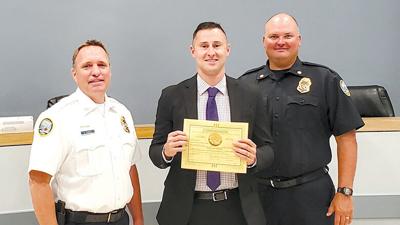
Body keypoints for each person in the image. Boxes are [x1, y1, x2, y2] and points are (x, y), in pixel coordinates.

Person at [240, 13, 365, 225]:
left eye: (288, 35)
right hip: (258, 197)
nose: (280, 41)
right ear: (263, 41)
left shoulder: (325, 79)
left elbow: (346, 139)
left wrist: (345, 192)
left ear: (299, 40)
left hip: (311, 196)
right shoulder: (245, 84)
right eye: (273, 36)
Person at [149, 22, 274, 225]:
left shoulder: (250, 94)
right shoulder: (172, 95)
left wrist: (254, 157)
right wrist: (167, 151)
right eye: (204, 46)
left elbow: (268, 149)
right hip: (186, 210)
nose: (211, 52)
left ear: (227, 49)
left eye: (217, 45)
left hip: (238, 207)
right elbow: (155, 152)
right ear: (193, 51)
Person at [28, 40, 144, 225]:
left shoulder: (122, 113)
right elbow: (38, 181)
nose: (96, 72)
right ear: (74, 74)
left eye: (102, 65)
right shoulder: (57, 117)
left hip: (121, 219)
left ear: (110, 71)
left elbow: (129, 168)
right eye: (87, 66)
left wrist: (138, 219)